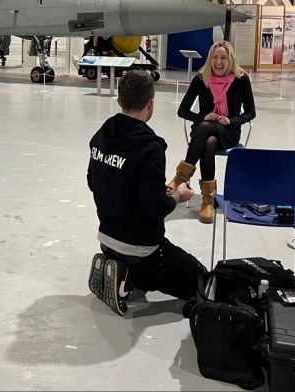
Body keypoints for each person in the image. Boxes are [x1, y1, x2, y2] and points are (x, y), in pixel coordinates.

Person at [87, 69, 208, 316]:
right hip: (143, 248)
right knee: (203, 281)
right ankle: (129, 276)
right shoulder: (149, 147)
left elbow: (94, 181)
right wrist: (178, 196)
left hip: (107, 236)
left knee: (151, 267)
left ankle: (119, 269)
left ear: (119, 101)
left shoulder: (103, 134)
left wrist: (150, 190)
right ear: (151, 104)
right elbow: (155, 209)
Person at [170, 41, 256, 224]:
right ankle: (208, 200)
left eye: (223, 58)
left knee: (204, 130)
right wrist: (203, 116)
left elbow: (251, 112)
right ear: (210, 59)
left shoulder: (241, 79)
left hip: (229, 131)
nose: (218, 62)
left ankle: (180, 178)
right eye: (215, 57)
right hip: (204, 129)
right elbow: (182, 111)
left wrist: (231, 120)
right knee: (209, 141)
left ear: (230, 59)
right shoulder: (201, 79)